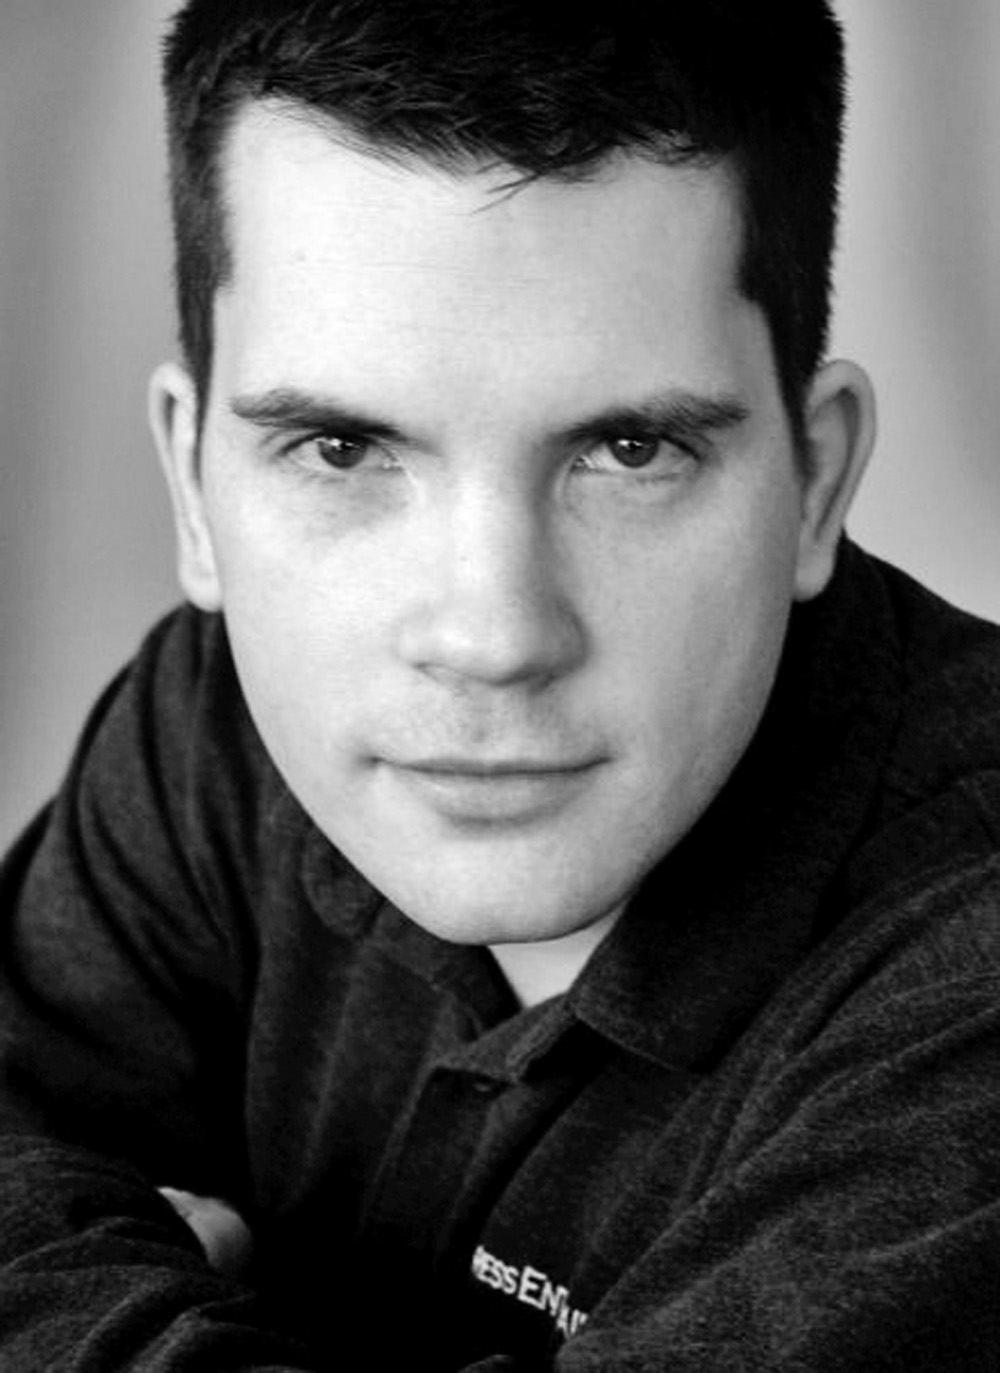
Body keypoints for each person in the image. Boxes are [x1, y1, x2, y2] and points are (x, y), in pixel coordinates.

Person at [0, 0, 999, 1367]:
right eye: (341, 450)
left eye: (630, 450)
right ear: (192, 485)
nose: (491, 635)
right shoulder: (214, 721)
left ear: (815, 480)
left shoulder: (972, 972)